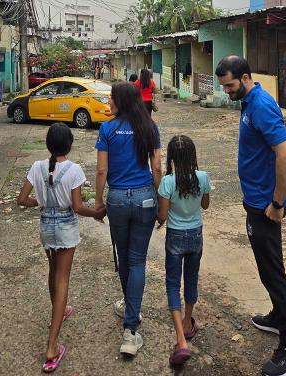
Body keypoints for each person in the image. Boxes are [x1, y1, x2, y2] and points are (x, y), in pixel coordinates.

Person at [216, 56, 286, 376]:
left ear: (246, 77)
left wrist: (277, 204)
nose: (226, 91)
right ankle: (279, 318)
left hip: (266, 206)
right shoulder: (247, 100)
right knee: (267, 269)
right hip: (257, 201)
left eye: (230, 85)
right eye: (224, 86)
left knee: (272, 272)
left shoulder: (261, 105)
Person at [17, 123, 105, 373]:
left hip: (46, 226)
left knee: (53, 272)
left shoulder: (37, 167)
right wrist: (98, 212)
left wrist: (41, 202)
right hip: (66, 228)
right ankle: (52, 346)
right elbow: (77, 207)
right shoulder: (74, 170)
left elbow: (21, 200)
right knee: (63, 279)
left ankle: (60, 309)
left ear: (48, 144)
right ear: (70, 144)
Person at [95, 82, 162, 356]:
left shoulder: (107, 129)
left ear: (121, 100)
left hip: (118, 200)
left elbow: (102, 170)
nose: (108, 101)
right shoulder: (149, 126)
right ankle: (131, 329)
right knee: (137, 261)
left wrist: (99, 201)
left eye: (111, 97)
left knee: (125, 258)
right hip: (146, 197)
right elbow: (157, 167)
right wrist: (160, 201)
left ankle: (130, 308)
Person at [157, 135, 210, 367]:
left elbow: (162, 215)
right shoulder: (202, 177)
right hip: (196, 234)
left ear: (171, 158)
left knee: (172, 283)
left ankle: (181, 339)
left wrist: (160, 217)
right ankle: (188, 322)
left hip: (175, 235)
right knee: (191, 279)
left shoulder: (168, 182)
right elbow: (205, 205)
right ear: (193, 156)